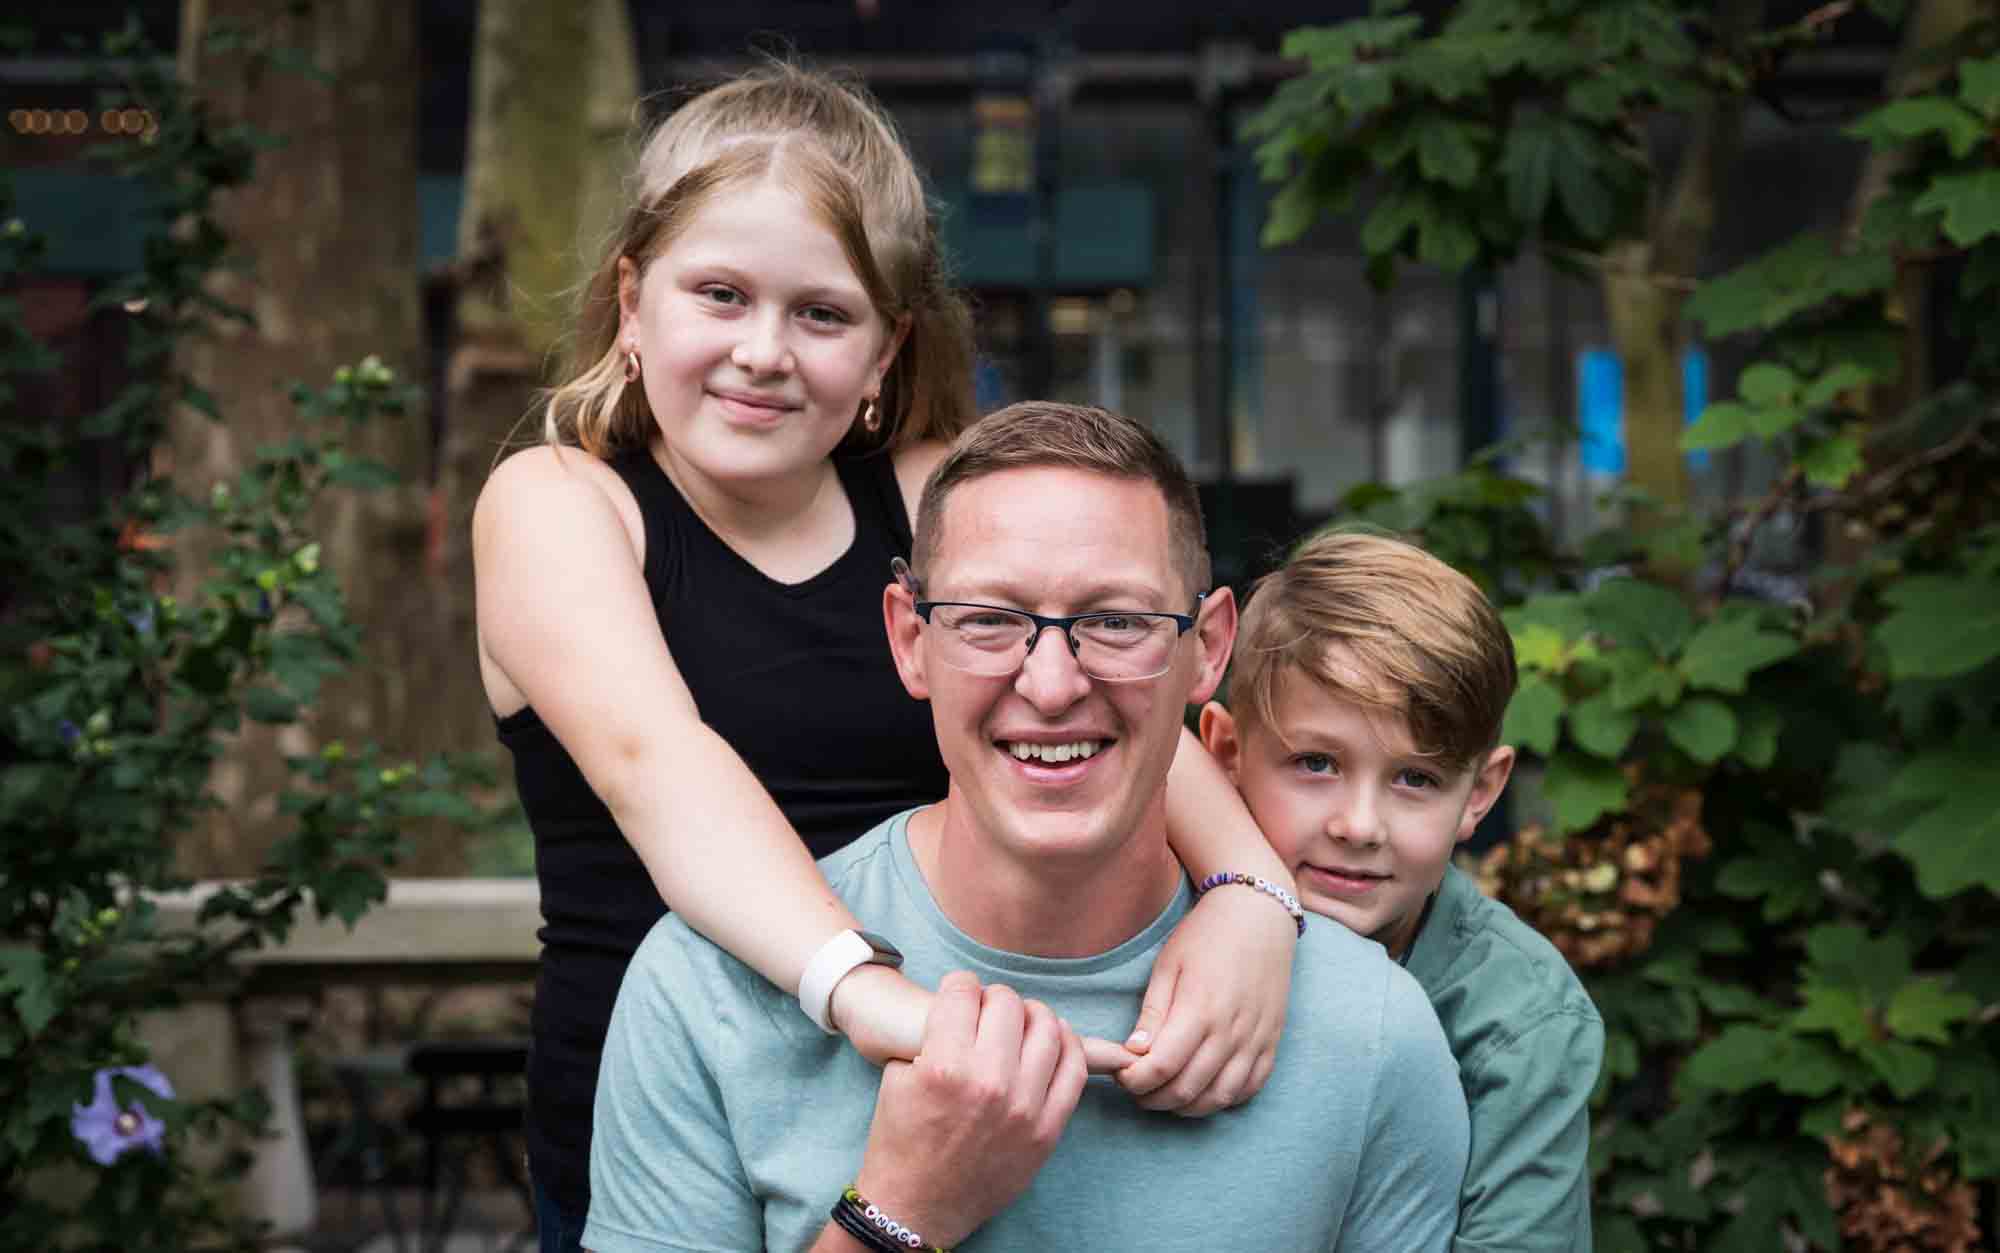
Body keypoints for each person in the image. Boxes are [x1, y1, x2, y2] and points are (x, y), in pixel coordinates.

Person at [470, 66, 1303, 1252]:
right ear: (631, 301)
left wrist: (1250, 897)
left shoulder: (925, 488)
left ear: (883, 351)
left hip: (968, 1081)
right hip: (680, 1122)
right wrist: (872, 999)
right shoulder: (559, 502)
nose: (764, 351)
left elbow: (1100, 689)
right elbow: (662, 767)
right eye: (718, 293)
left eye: (821, 314)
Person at [583, 402, 1470, 1252]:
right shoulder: (707, 996)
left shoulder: (1367, 1029)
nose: (1050, 686)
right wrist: (899, 1215)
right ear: (908, 638)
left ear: (1206, 648)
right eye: (990, 620)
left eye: (1116, 621)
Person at [1197, 528, 1605, 1251]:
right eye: (1316, 762)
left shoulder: (1524, 1021)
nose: (1360, 825)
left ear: (1480, 793)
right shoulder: (1153, 917)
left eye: (1415, 779)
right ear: (1226, 751)